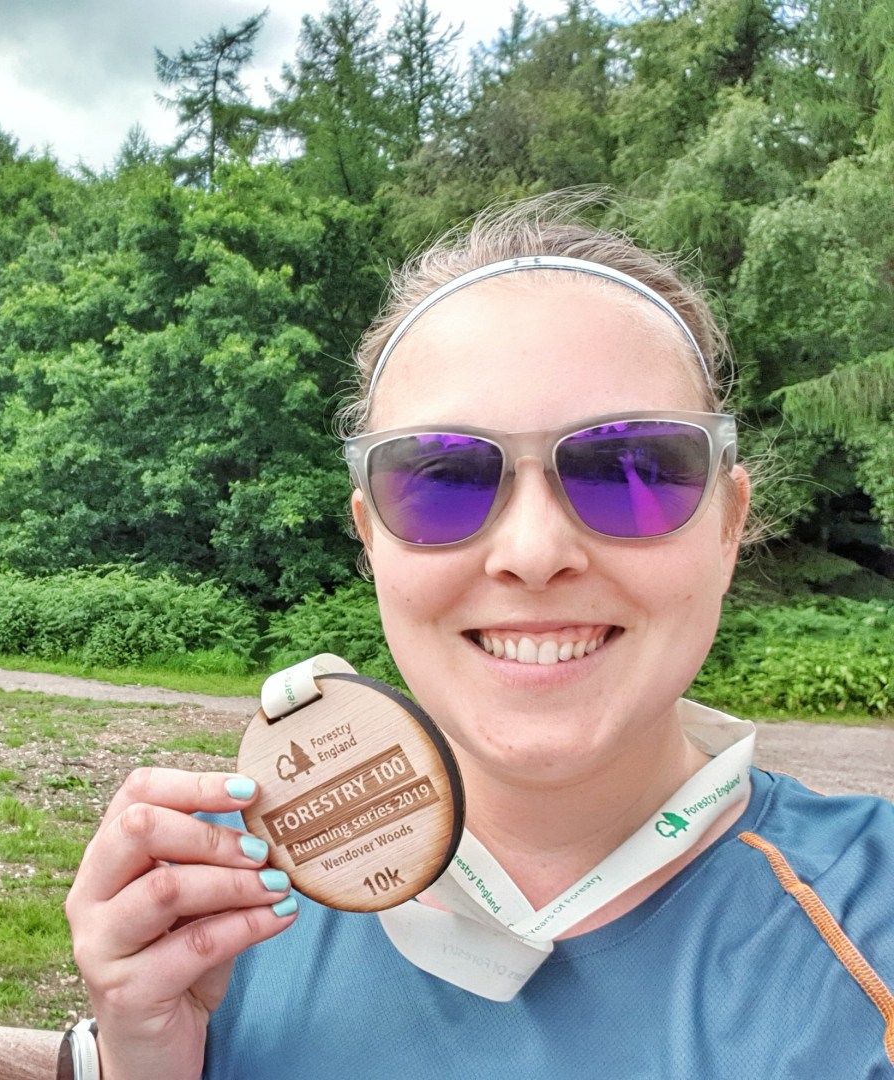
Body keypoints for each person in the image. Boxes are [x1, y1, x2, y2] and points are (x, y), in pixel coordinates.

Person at [63, 195, 894, 1079]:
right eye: (444, 480)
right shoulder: (223, 918)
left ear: (728, 527)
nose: (534, 553)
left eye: (630, 471)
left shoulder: (872, 920)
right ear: (371, 536)